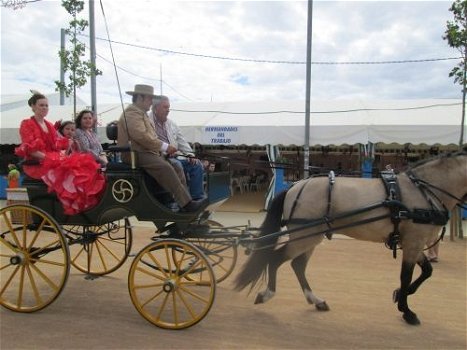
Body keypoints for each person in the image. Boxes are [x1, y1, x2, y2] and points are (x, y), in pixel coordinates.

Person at [116, 84, 207, 213]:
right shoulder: (131, 113)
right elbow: (141, 136)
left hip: (146, 152)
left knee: (176, 166)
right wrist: (164, 147)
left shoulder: (141, 114)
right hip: (133, 154)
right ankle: (187, 204)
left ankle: (183, 202)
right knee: (165, 167)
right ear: (140, 98)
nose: (151, 102)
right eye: (149, 99)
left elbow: (150, 137)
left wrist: (164, 150)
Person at [15, 92, 105, 215]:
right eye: (41, 105)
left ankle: (85, 203)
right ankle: (74, 204)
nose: (45, 108)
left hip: (52, 158)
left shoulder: (49, 125)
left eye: (46, 105)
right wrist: (49, 159)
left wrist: (67, 145)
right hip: (37, 163)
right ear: (33, 106)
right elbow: (31, 150)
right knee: (70, 173)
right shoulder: (27, 124)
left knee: (82, 167)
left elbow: (56, 145)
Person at [149, 95, 206, 200]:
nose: (168, 110)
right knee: (177, 164)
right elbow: (148, 142)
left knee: (197, 164)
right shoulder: (147, 121)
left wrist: (190, 154)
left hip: (172, 158)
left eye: (168, 107)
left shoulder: (171, 123)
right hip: (158, 159)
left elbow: (181, 142)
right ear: (155, 108)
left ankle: (197, 198)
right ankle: (184, 201)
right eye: (165, 107)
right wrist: (166, 150)